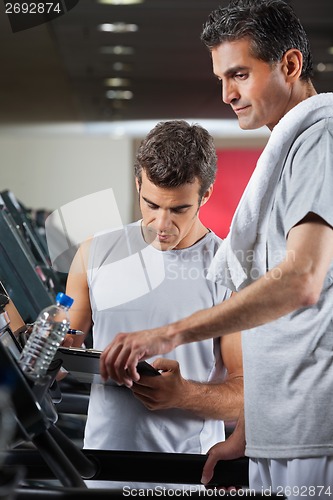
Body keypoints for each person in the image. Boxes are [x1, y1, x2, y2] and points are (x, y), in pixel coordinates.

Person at [99, 0, 333, 496]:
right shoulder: (288, 152)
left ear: (289, 65)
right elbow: (280, 324)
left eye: (240, 75)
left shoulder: (323, 139)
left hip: (315, 431)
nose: (226, 94)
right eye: (221, 78)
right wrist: (249, 432)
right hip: (281, 431)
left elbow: (302, 281)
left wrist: (169, 334)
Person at [65, 120, 243, 476]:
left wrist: (183, 395)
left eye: (178, 209)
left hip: (184, 472)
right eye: (151, 204)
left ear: (204, 196)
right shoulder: (94, 252)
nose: (161, 223)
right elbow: (64, 350)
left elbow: (245, 398)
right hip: (100, 466)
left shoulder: (231, 272)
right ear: (138, 185)